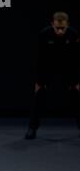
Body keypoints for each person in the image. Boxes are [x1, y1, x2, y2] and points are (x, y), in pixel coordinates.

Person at [25, 11, 80, 139]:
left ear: (68, 25)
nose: (60, 31)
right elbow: (39, 59)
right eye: (57, 28)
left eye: (63, 28)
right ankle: (32, 129)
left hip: (68, 68)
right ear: (52, 24)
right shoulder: (44, 35)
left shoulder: (74, 35)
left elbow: (76, 59)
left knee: (77, 97)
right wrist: (39, 81)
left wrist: (76, 81)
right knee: (39, 97)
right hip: (48, 68)